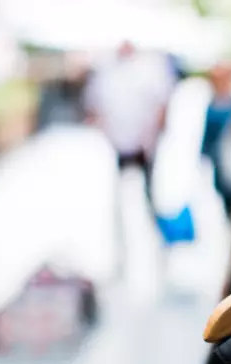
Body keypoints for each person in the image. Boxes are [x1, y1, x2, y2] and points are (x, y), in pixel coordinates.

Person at [83, 41, 176, 226]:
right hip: (116, 143)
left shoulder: (148, 70)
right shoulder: (107, 72)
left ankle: (152, 227)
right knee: (116, 192)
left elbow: (162, 106)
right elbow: (93, 108)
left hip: (144, 143)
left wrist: (151, 136)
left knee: (148, 192)